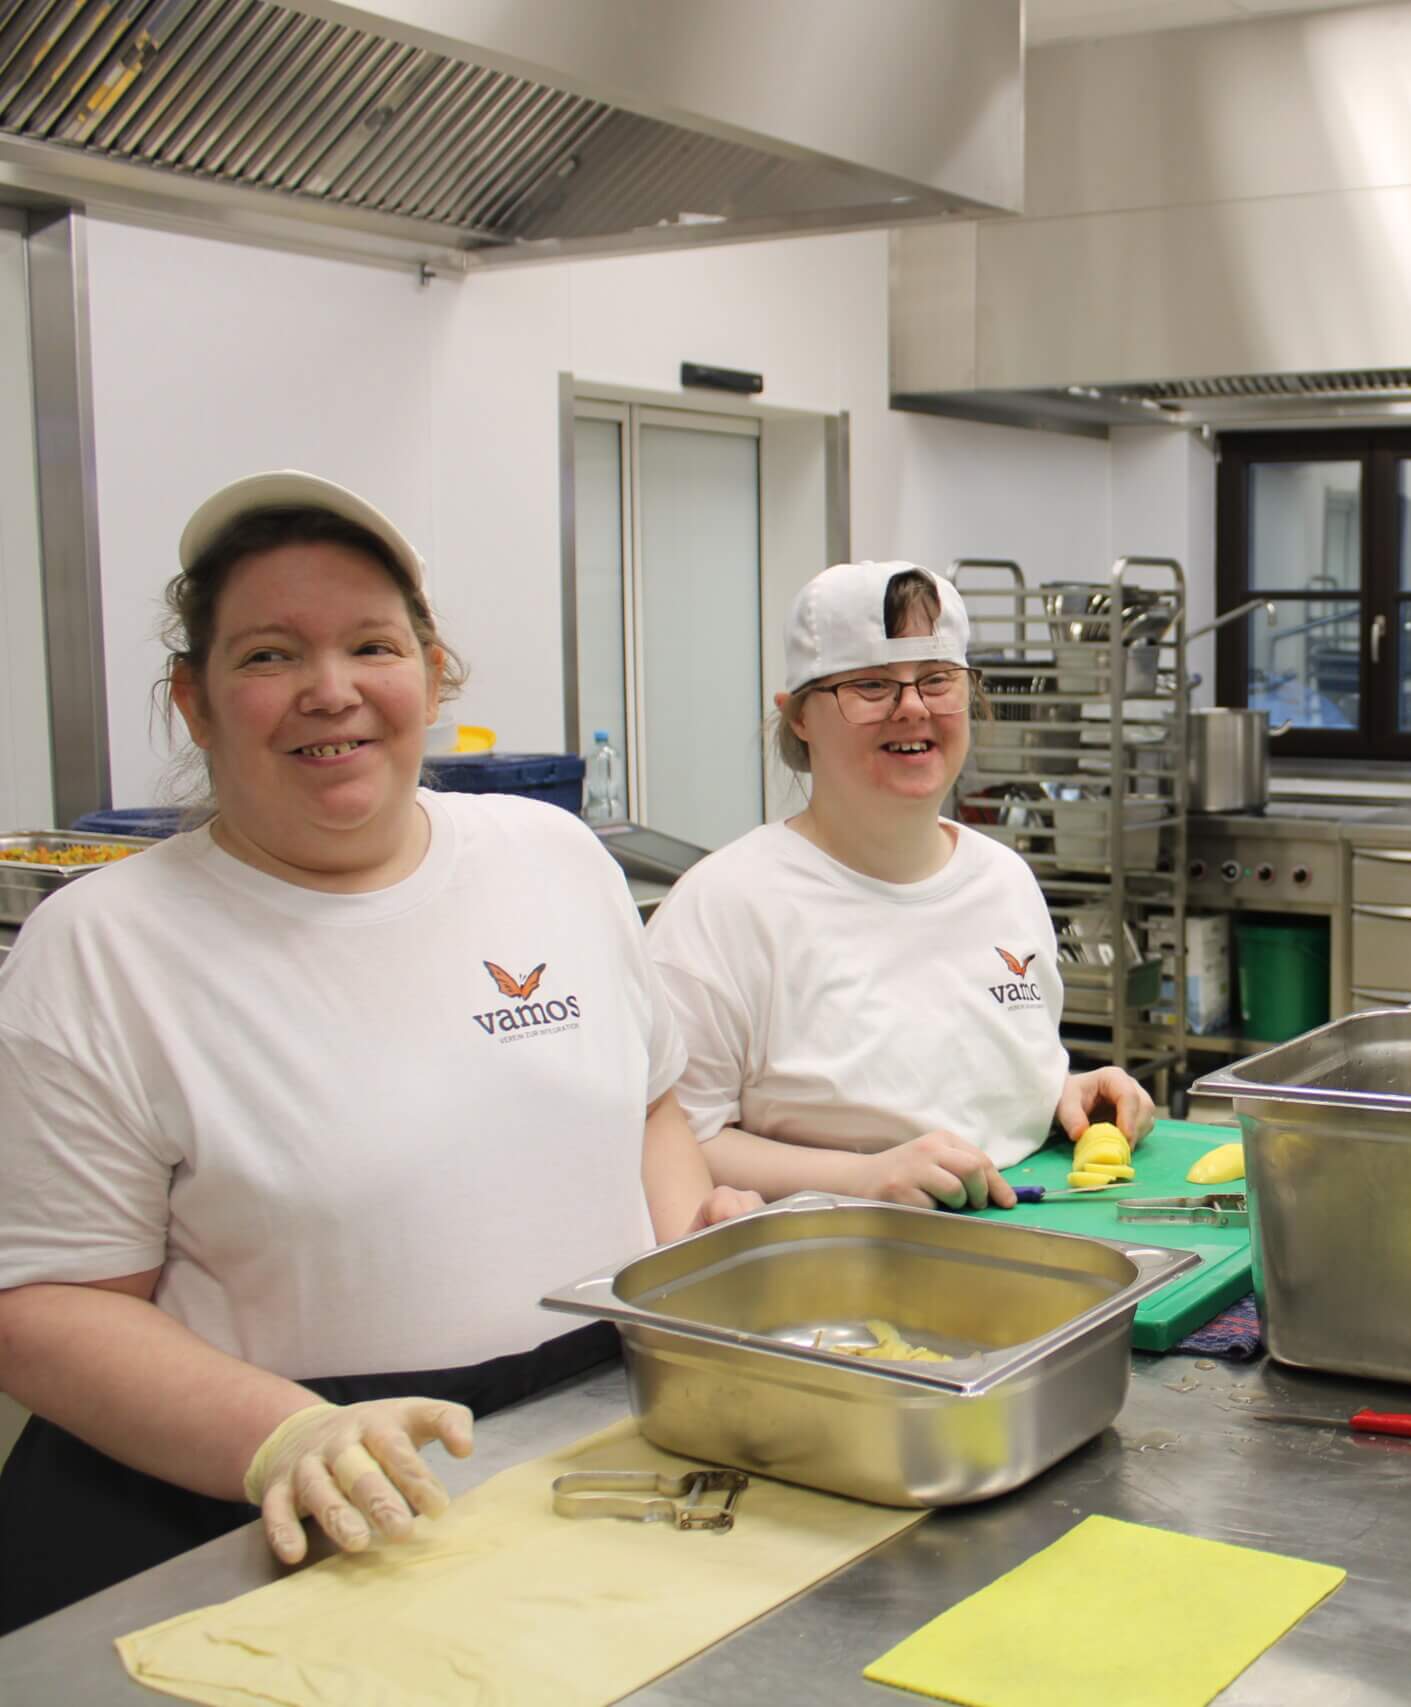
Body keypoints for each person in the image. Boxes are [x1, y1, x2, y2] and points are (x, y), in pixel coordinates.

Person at [0, 473, 758, 1634]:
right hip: (260, 1498)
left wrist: (677, 1258)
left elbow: (649, 1109)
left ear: (431, 671)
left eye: (372, 644)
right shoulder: (102, 950)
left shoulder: (551, 857)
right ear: (192, 702)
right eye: (267, 656)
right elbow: (45, 1308)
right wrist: (282, 1435)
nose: (331, 691)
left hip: (588, 1436)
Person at [645, 562, 1155, 1209]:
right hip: (836, 1272)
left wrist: (1062, 1093)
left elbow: (965, 1076)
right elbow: (677, 1139)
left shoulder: (1004, 880)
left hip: (1036, 1234)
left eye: (937, 680)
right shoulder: (725, 908)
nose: (912, 707)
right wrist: (859, 1177)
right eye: (872, 684)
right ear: (798, 715)